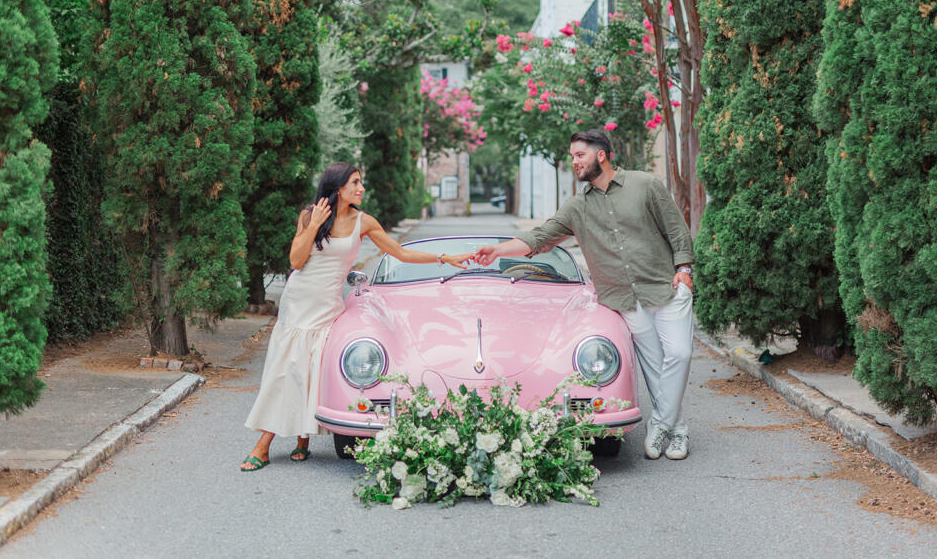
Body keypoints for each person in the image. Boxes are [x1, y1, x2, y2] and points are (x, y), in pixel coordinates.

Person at [474, 130, 696, 460]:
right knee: (654, 366)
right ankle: (676, 432)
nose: (574, 162)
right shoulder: (578, 207)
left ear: (601, 155)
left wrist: (685, 269)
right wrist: (497, 250)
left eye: (579, 155)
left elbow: (675, 228)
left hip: (664, 284)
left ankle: (663, 424)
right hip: (623, 297)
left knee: (679, 354)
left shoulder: (645, 185)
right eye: (573, 156)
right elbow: (541, 237)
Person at [240, 162, 474, 471]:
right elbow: (296, 261)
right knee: (288, 368)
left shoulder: (363, 222)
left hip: (327, 305)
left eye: (361, 182)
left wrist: (445, 258)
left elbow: (401, 253)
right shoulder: (310, 215)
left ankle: (303, 439)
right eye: (355, 183)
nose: (361, 188)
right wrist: (313, 226)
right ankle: (263, 444)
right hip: (299, 303)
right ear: (338, 188)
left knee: (314, 367)